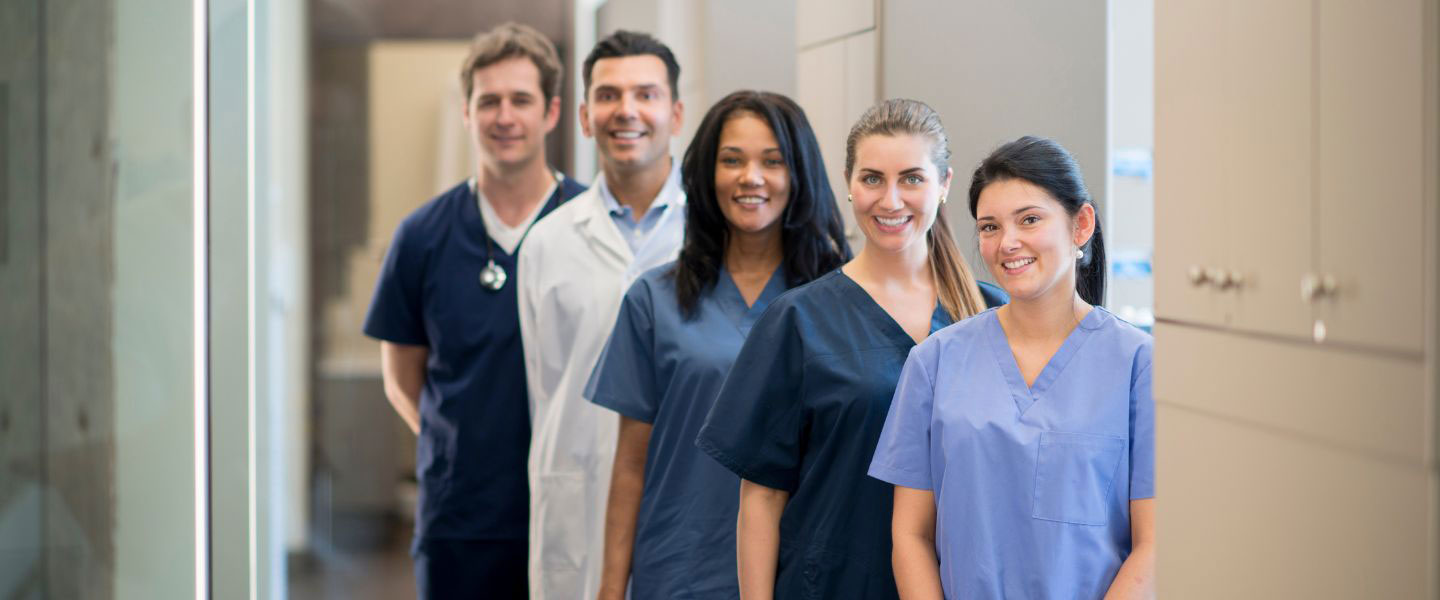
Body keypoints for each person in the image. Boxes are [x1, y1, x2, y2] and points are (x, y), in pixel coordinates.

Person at [695, 98, 1006, 599]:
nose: (890, 200)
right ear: (847, 183)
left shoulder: (995, 318)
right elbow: (761, 499)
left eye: (911, 178)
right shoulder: (798, 322)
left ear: (944, 185)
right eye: (872, 179)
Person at [587, 91, 850, 600]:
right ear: (707, 173)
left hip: (802, 571)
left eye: (772, 161)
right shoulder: (653, 299)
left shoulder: (838, 299)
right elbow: (631, 463)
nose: (751, 177)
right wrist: (609, 589)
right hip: (680, 567)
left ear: (799, 174)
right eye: (732, 160)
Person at [869, 135, 1155, 599]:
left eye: (1029, 220)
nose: (1008, 243)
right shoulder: (935, 362)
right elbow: (911, 535)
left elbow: (1154, 546)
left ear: (1081, 225)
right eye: (989, 227)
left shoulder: (1138, 365)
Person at [362, 22, 585, 599]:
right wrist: (457, 446)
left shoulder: (593, 225)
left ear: (552, 112)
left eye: (521, 100)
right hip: (461, 519)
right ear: (466, 113)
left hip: (574, 511)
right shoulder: (422, 235)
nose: (504, 116)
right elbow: (400, 376)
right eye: (489, 101)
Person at [517, 30, 688, 600]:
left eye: (646, 93)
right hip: (576, 487)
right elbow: (546, 389)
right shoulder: (545, 243)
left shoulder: (712, 238)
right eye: (609, 96)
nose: (628, 111)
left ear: (676, 112)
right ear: (586, 117)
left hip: (685, 496)